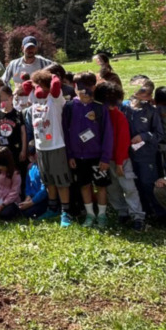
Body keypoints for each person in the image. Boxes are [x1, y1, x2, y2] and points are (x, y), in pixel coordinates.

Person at [19, 70, 72, 225]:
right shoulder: (35, 100)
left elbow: (55, 85)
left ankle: (66, 212)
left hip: (56, 146)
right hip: (41, 147)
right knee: (48, 181)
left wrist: (50, 77)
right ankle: (52, 207)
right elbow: (26, 85)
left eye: (42, 86)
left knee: (61, 181)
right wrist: (35, 81)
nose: (38, 89)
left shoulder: (55, 100)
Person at [63, 73, 114, 227]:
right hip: (78, 157)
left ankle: (103, 215)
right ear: (75, 87)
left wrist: (105, 158)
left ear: (93, 87)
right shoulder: (70, 107)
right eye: (81, 88)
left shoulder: (100, 107)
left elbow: (108, 133)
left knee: (101, 186)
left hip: (97, 156)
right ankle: (90, 214)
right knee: (84, 185)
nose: (85, 92)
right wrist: (70, 155)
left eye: (88, 88)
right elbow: (66, 131)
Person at [97, 81, 145, 230]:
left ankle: (137, 216)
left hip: (121, 160)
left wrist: (119, 163)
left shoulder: (118, 116)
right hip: (105, 160)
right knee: (113, 188)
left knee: (128, 187)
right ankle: (122, 212)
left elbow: (123, 142)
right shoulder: (99, 113)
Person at [124, 76, 164, 216]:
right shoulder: (124, 107)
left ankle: (156, 211)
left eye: (149, 93)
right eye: (144, 92)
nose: (148, 96)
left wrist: (144, 136)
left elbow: (159, 134)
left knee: (148, 182)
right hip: (127, 155)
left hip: (146, 155)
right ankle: (140, 210)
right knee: (134, 184)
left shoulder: (152, 111)